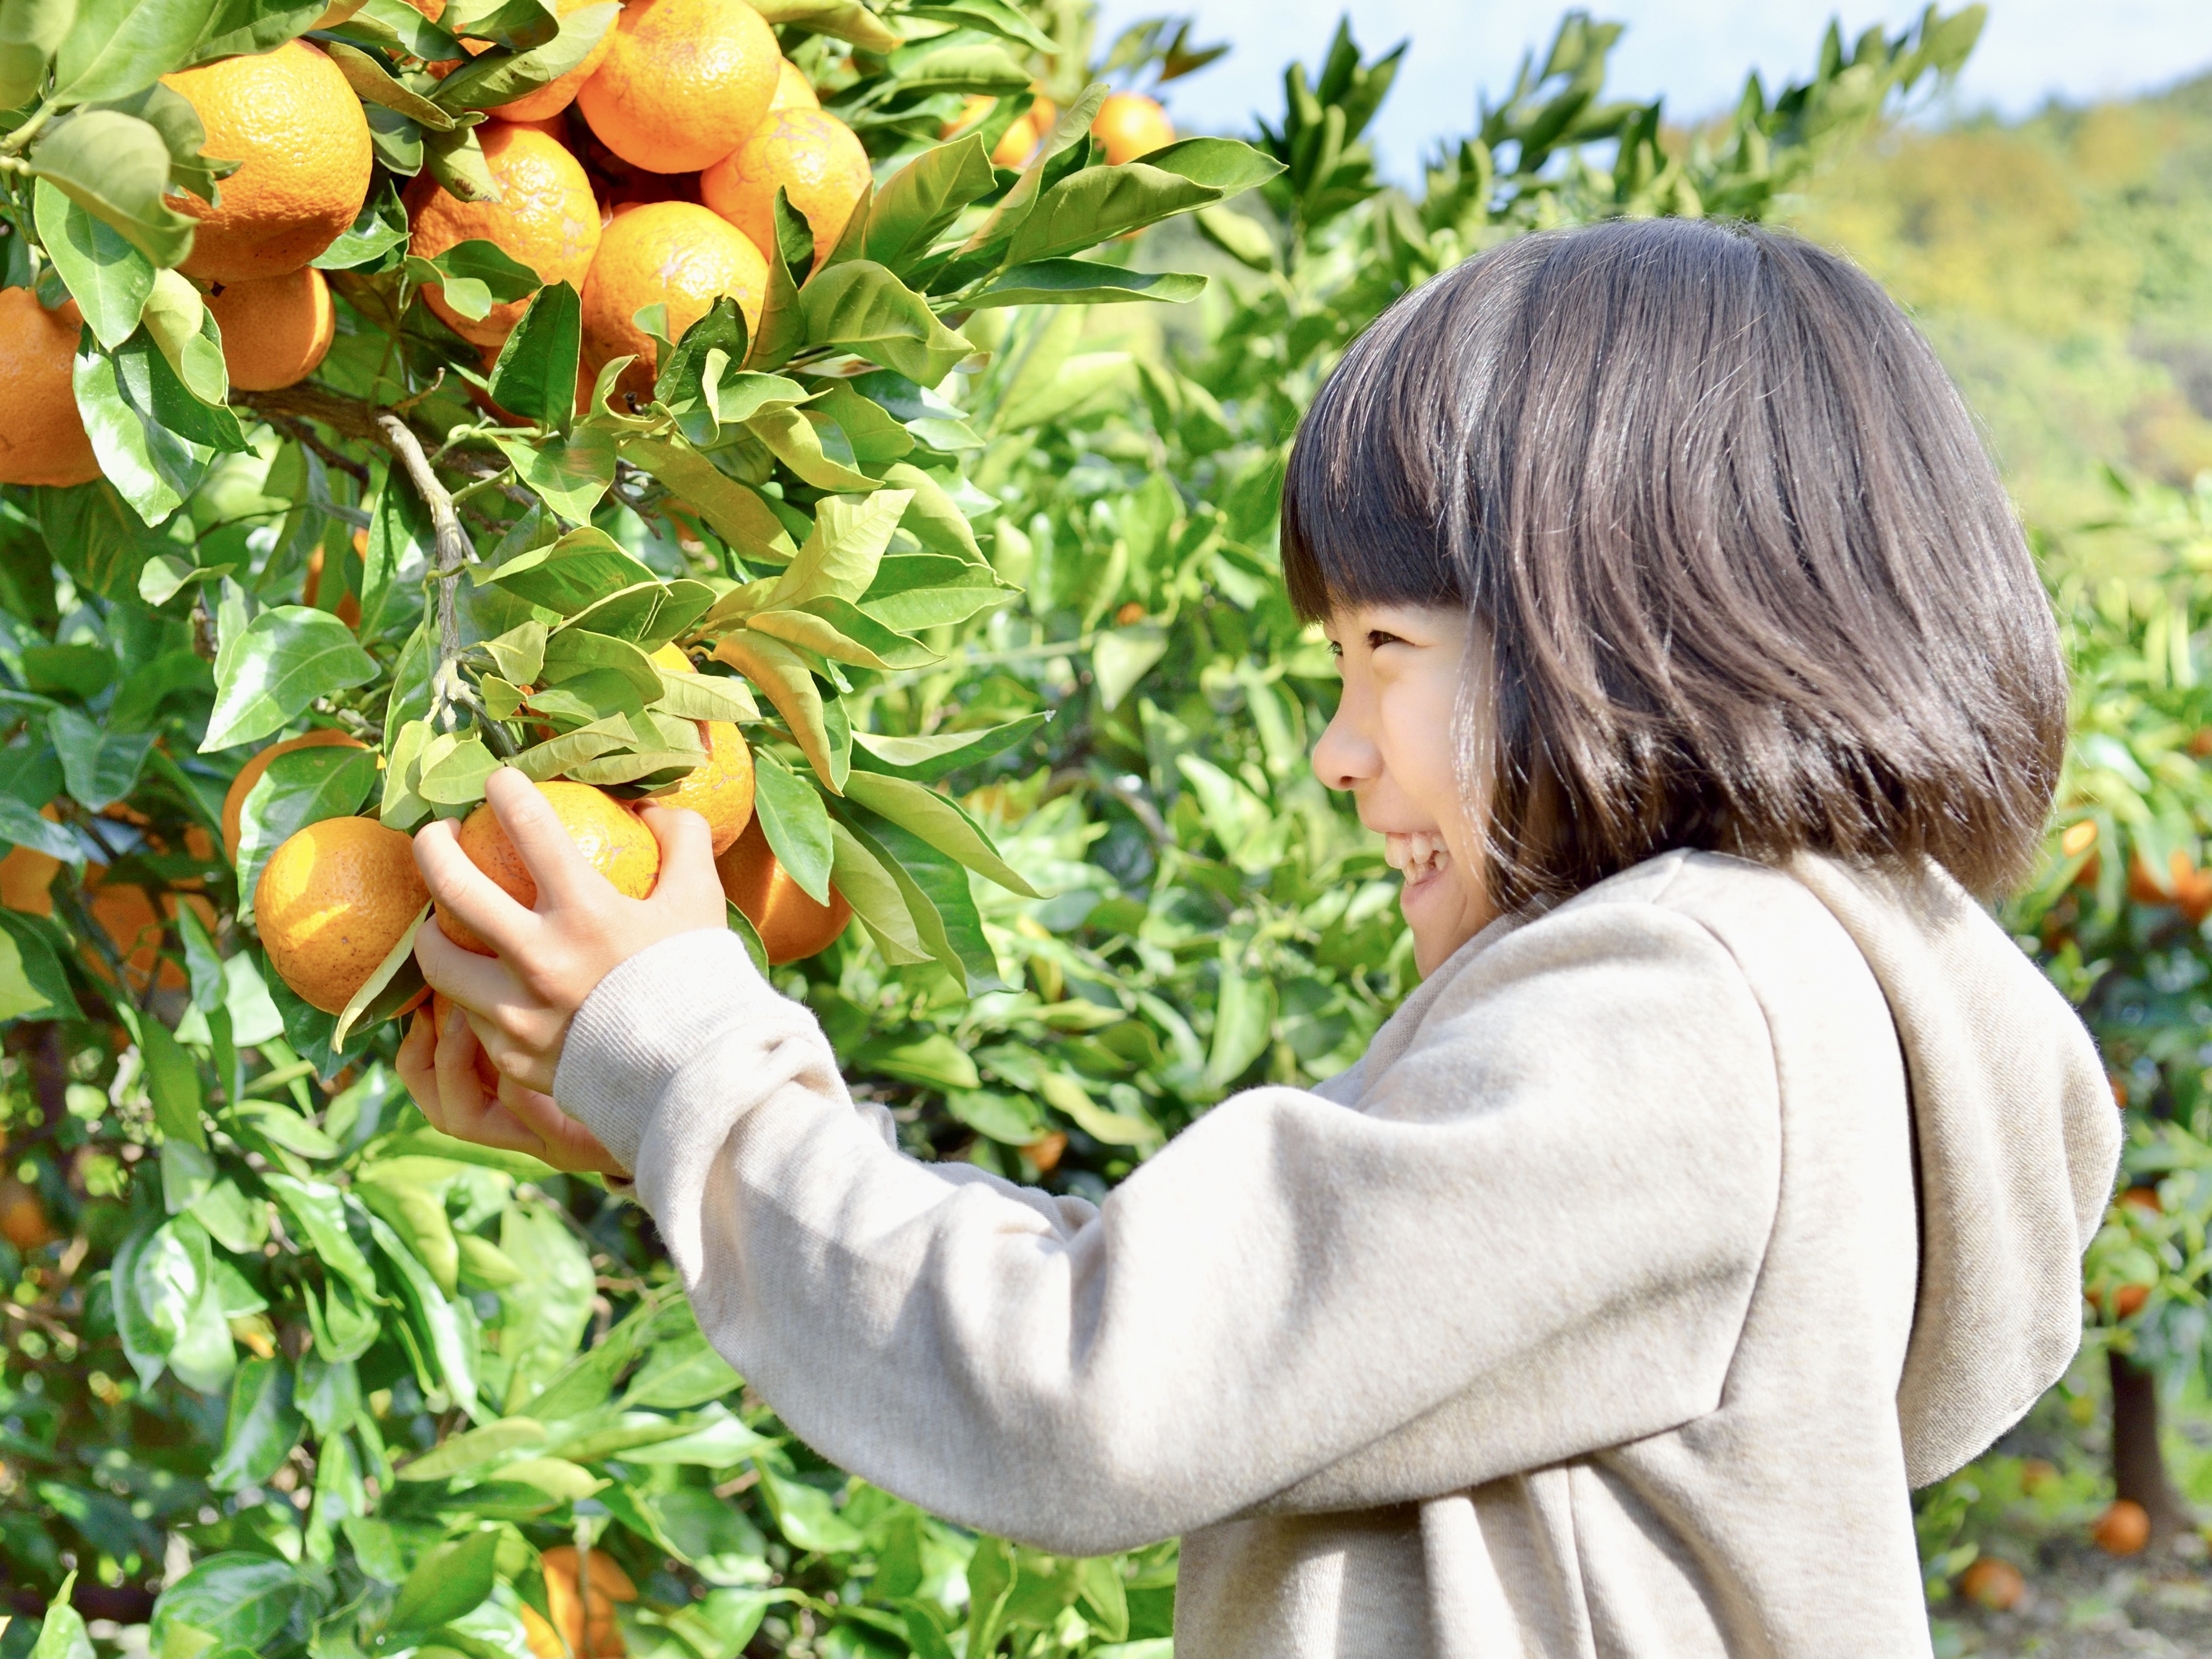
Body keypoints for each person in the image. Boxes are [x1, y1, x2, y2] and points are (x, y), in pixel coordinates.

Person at [398, 217, 2121, 1658]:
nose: (1339, 747)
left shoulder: (1690, 1003)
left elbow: (1085, 1382)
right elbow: (1181, 1324)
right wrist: (677, 1127)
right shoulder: (1791, 1005)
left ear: (1640, 621)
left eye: (1383, 650)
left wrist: (701, 1062)